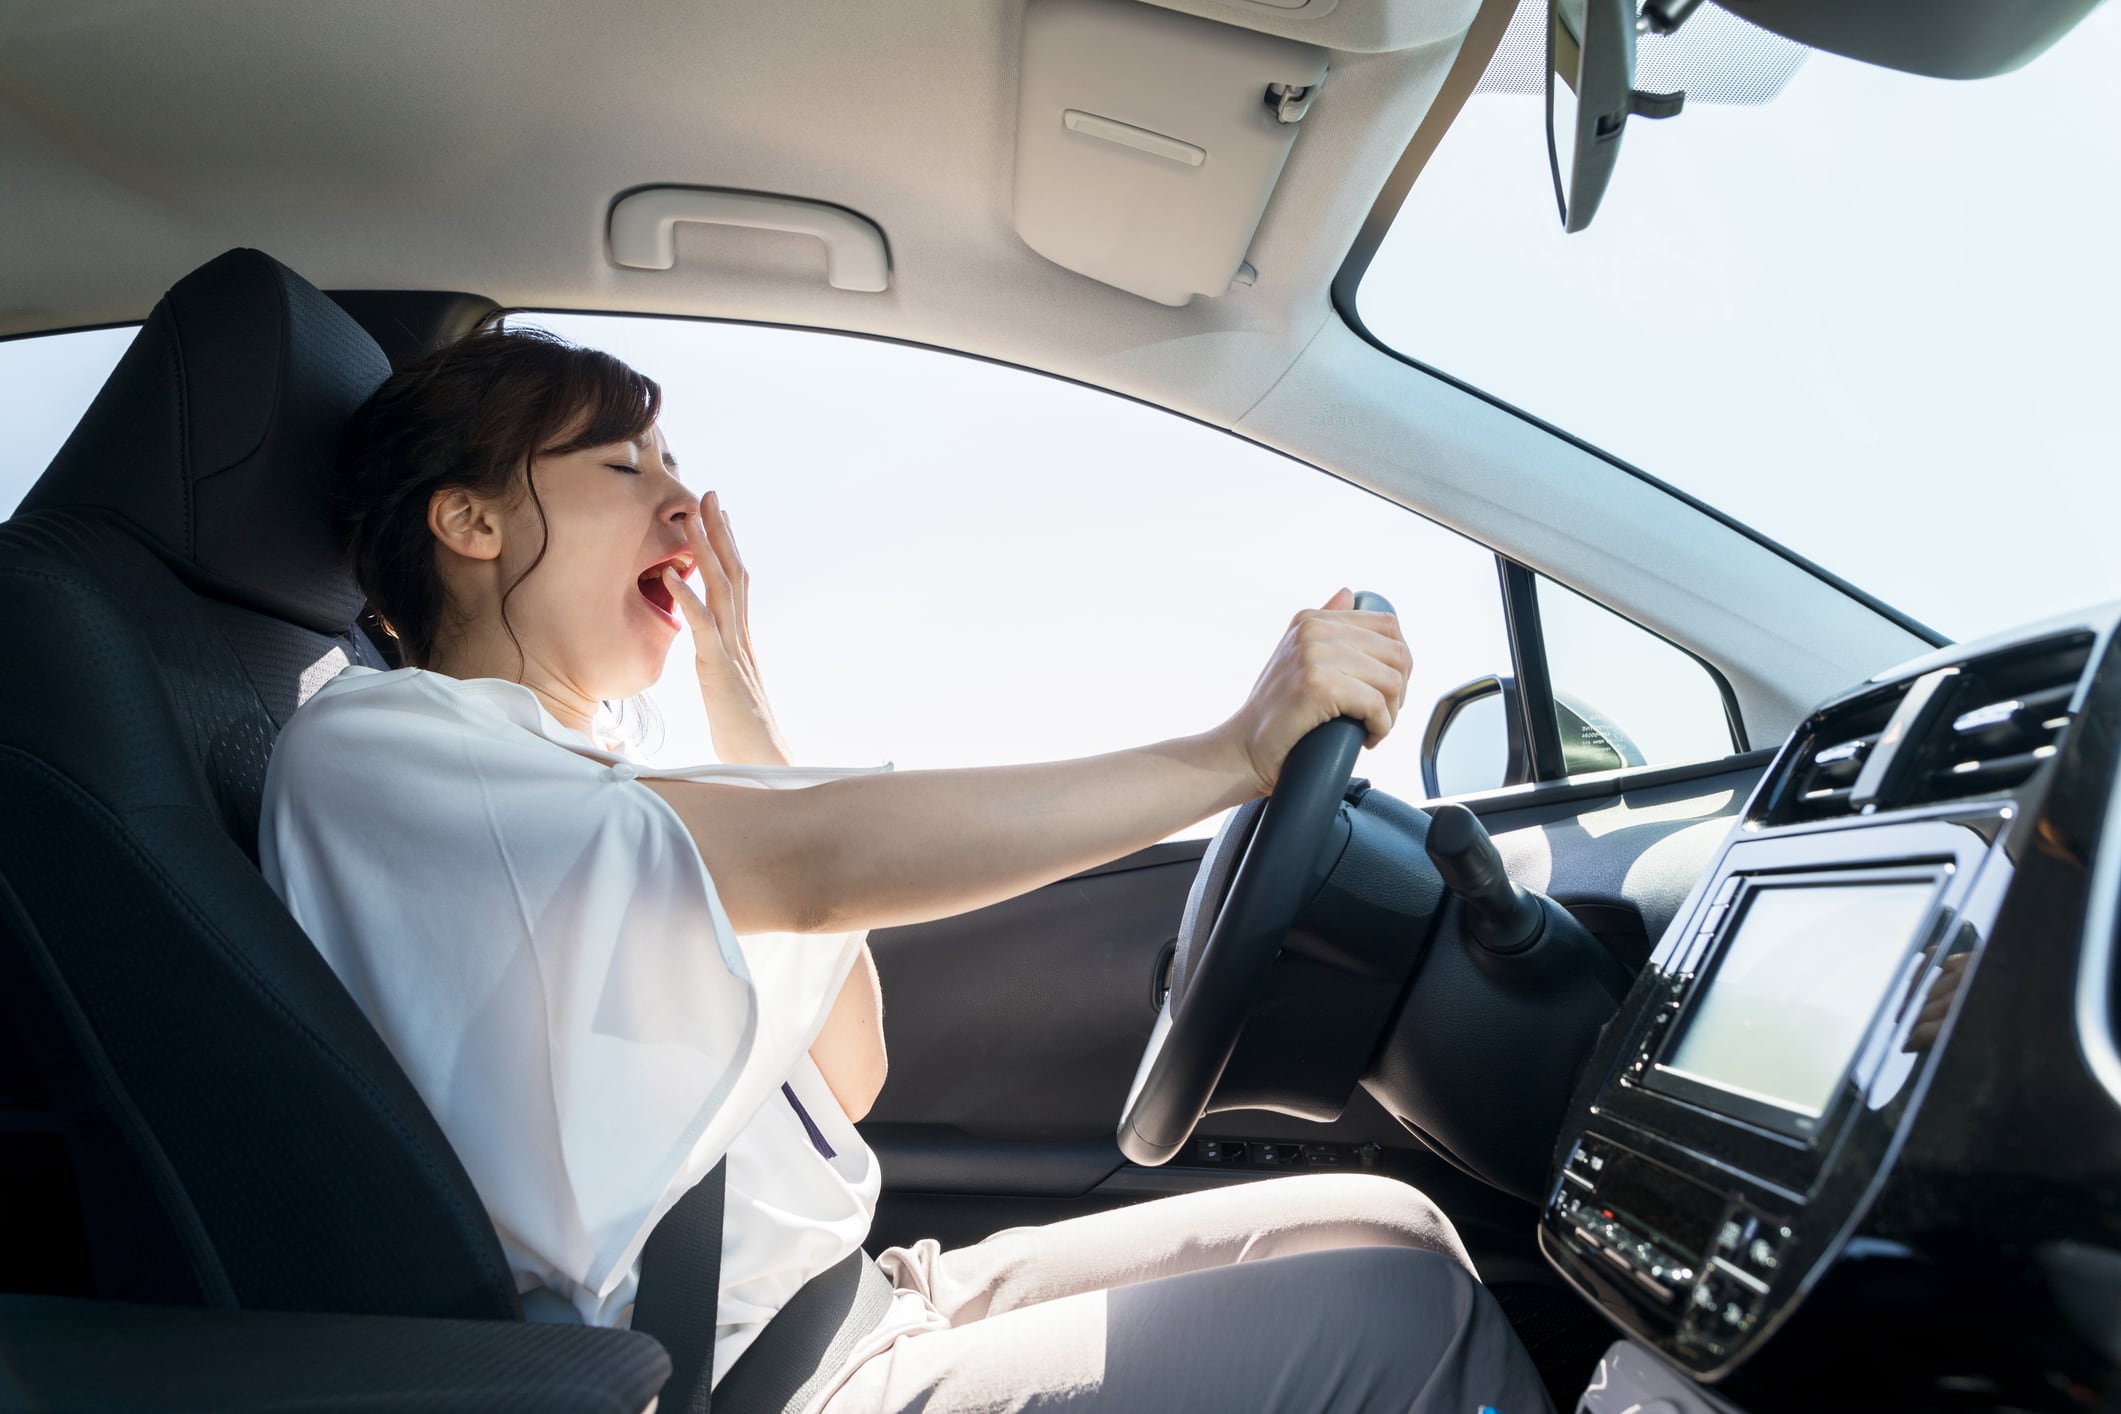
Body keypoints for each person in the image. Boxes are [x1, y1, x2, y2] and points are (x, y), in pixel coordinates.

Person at [258, 321, 1556, 1414]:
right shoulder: (386, 747)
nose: (683, 505)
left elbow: (849, 1063)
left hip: (860, 1303)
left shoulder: (578, 781)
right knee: (1410, 1317)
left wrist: (737, 688)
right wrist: (1230, 750)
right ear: (470, 519)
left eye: (674, 460)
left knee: (1386, 1226)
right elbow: (816, 863)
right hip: (754, 1380)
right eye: (618, 464)